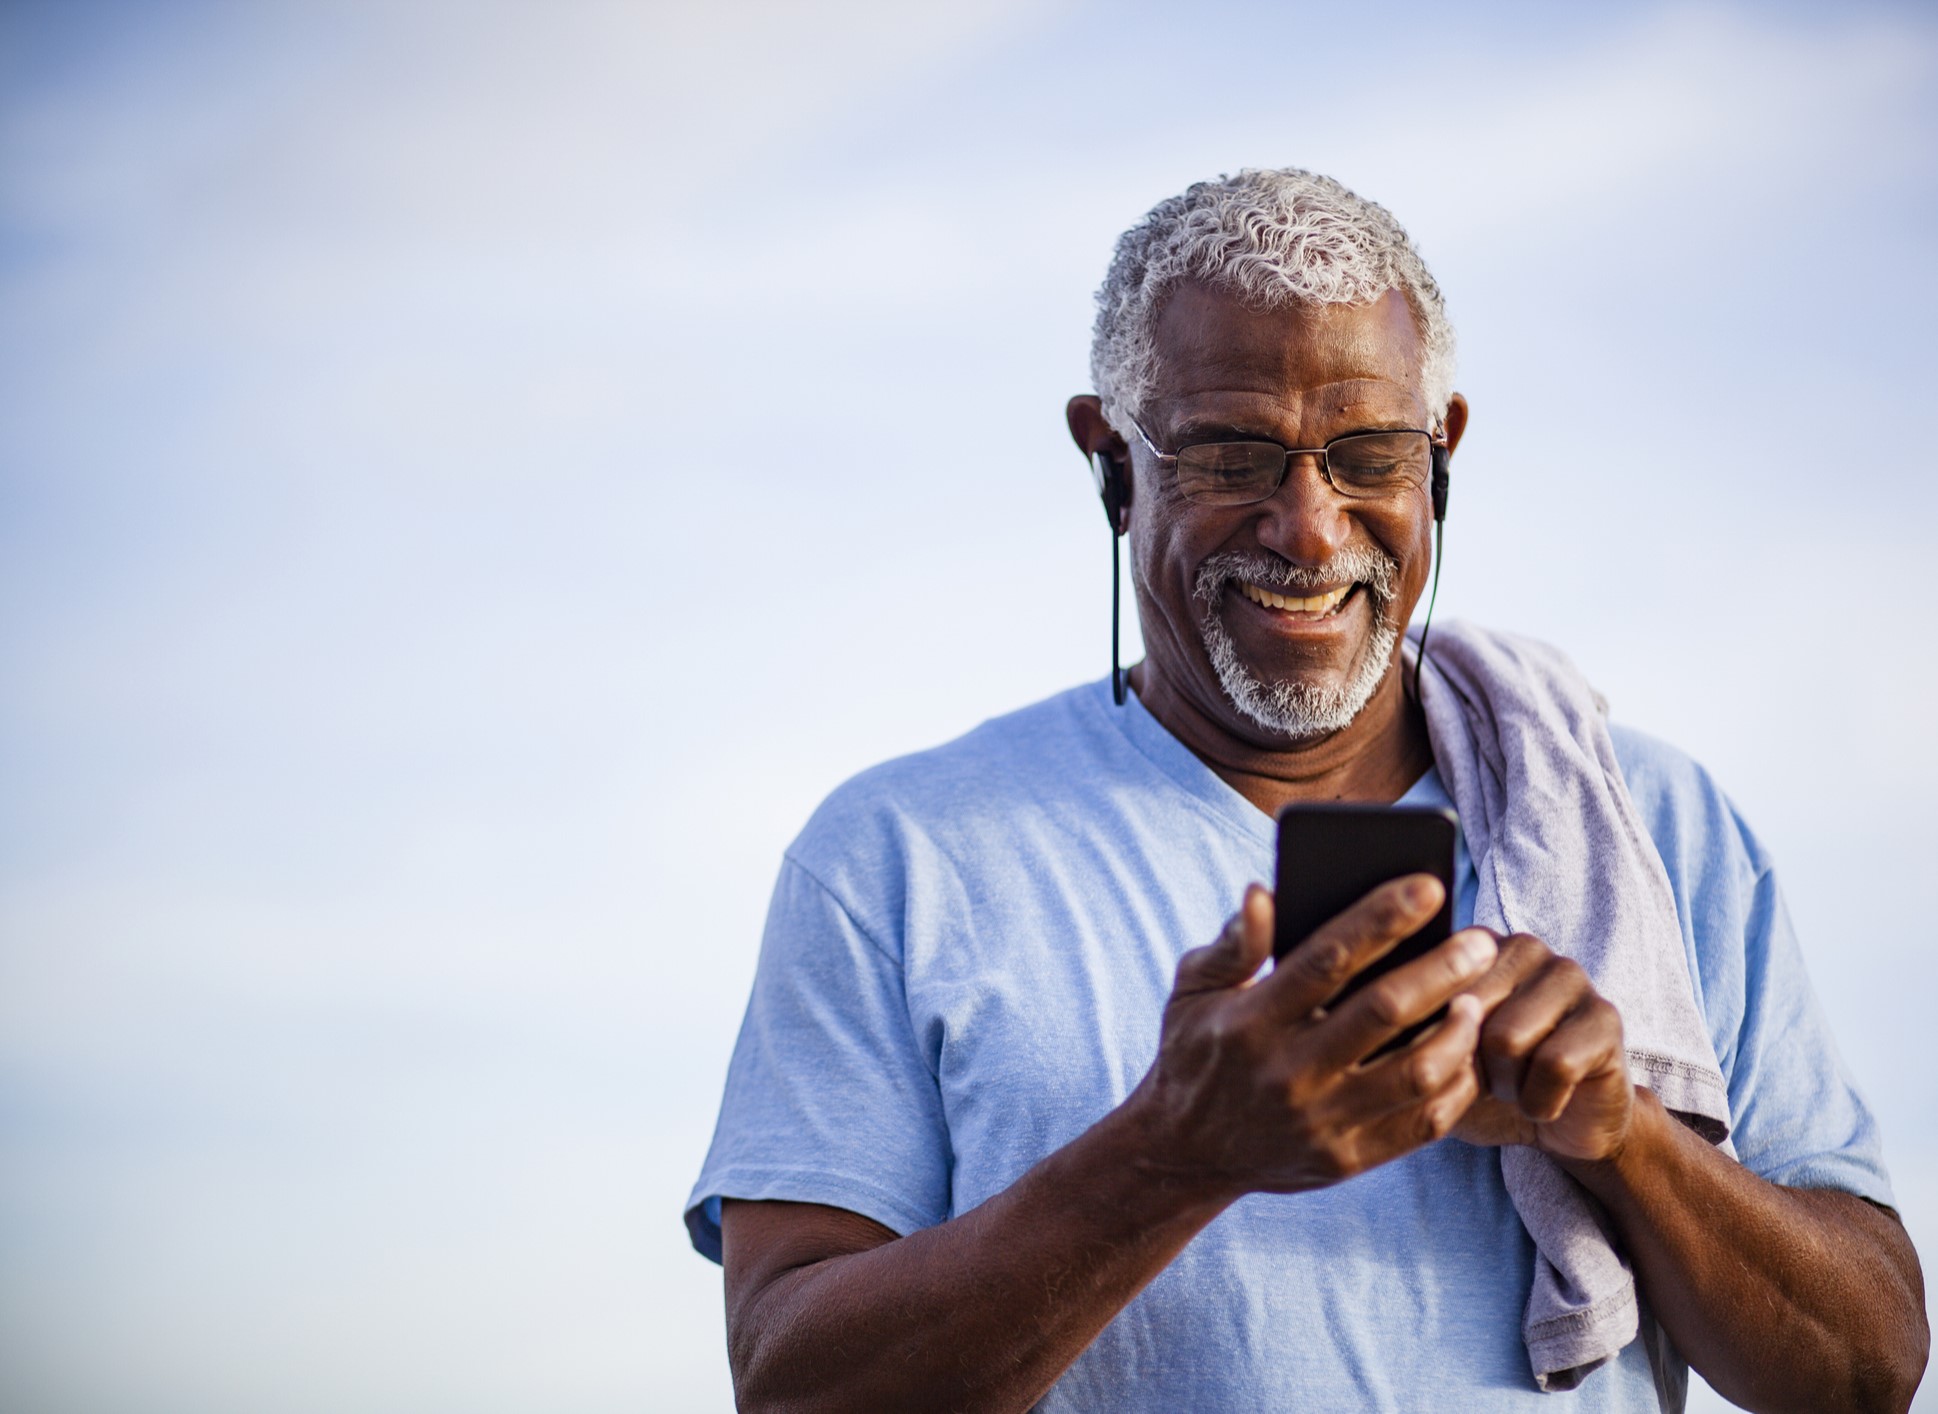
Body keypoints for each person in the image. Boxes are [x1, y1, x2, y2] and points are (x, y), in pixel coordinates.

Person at [684, 168, 1927, 1411]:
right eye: (1233, 455)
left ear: (1440, 454)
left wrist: (1623, 1134)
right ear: (1111, 461)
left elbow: (1869, 1368)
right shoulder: (899, 856)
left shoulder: (1648, 826)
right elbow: (797, 1388)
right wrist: (1172, 1153)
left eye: (1366, 452)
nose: (1312, 529)